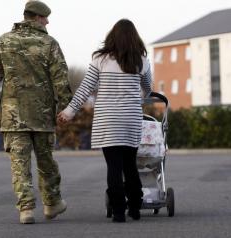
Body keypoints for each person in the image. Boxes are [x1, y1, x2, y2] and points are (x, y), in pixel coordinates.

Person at [0, 0, 72, 224]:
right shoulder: (49, 43)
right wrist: (67, 107)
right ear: (36, 17)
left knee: (19, 165)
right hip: (42, 115)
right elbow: (60, 78)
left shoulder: (4, 41)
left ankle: (26, 210)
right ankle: (52, 204)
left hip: (13, 117)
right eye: (45, 17)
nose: (48, 21)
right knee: (46, 161)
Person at [58, 19, 153, 222]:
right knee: (130, 164)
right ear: (135, 38)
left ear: (112, 37)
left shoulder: (100, 60)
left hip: (108, 120)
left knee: (114, 166)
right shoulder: (142, 61)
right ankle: (135, 207)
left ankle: (119, 211)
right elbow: (148, 88)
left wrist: (69, 111)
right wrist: (138, 96)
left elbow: (85, 88)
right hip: (131, 120)